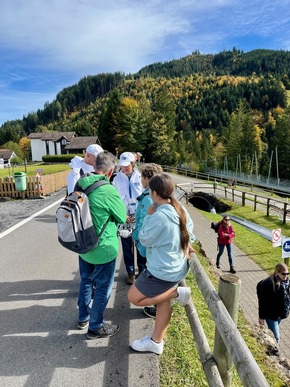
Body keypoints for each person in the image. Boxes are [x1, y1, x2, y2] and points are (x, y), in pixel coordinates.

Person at [127, 173, 195, 355]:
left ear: (155, 193)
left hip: (162, 270)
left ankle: (176, 293)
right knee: (163, 301)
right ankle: (156, 341)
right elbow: (191, 231)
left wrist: (148, 216)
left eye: (150, 190)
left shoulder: (159, 216)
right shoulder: (178, 207)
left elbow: (144, 238)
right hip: (176, 266)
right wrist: (188, 246)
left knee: (133, 297)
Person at [76, 151, 127, 339]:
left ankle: (83, 318)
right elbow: (121, 217)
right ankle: (96, 326)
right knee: (104, 286)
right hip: (103, 247)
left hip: (82, 244)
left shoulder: (80, 183)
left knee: (86, 280)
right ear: (110, 171)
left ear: (95, 166)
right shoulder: (108, 190)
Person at [132, 163, 163, 319]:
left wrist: (136, 237)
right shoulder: (157, 196)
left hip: (146, 245)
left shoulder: (147, 198)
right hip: (152, 245)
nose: (141, 180)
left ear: (148, 179)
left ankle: (154, 305)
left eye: (142, 177)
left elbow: (145, 221)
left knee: (148, 274)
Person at [113, 151, 143, 285]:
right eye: (122, 165)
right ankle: (130, 273)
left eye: (127, 165)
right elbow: (115, 199)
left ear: (133, 163)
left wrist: (139, 215)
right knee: (127, 247)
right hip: (124, 217)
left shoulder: (140, 177)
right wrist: (122, 215)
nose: (124, 168)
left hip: (138, 217)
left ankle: (142, 272)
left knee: (141, 245)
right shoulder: (116, 178)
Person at [257, 263, 290, 343]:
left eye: (287, 273)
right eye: (283, 274)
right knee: (277, 338)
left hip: (280, 314)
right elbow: (262, 301)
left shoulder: (287, 282)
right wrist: (261, 317)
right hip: (271, 315)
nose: (285, 276)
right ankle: (275, 353)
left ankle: (267, 347)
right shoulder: (268, 283)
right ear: (277, 272)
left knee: (272, 333)